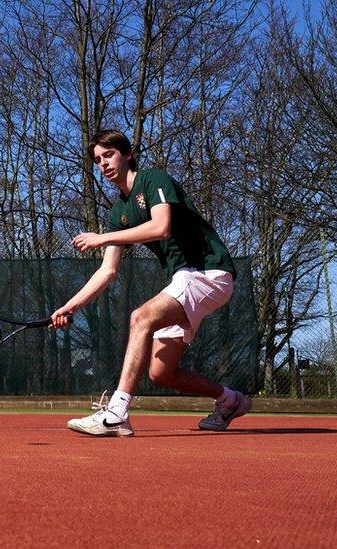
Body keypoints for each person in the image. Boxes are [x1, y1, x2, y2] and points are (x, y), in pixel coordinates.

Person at [51, 129, 251, 437]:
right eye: (97, 160)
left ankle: (117, 412)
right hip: (185, 279)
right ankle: (230, 400)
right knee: (161, 372)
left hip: (208, 272)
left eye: (109, 155)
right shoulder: (118, 212)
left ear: (127, 154)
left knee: (140, 317)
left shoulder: (153, 179)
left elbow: (161, 227)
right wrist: (69, 306)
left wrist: (102, 238)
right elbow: (108, 271)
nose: (103, 164)